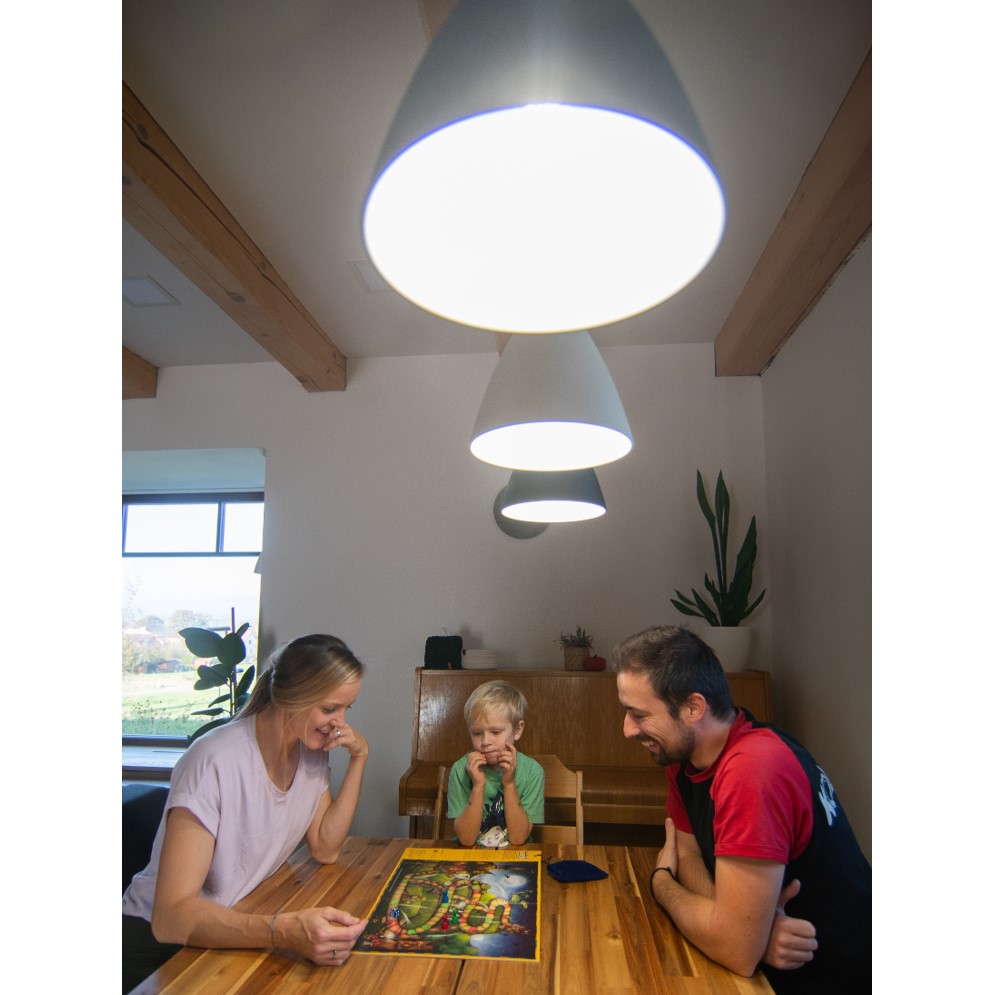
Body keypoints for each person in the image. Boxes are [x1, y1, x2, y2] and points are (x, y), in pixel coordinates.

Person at [614, 626, 870, 994]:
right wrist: (747, 929)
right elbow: (688, 853)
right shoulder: (685, 754)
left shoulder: (752, 769)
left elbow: (735, 950)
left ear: (693, 708)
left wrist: (662, 883)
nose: (627, 730)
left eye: (638, 714)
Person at [122, 634, 371, 993]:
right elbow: (171, 916)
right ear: (292, 697)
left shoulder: (312, 753)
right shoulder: (213, 759)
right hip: (155, 944)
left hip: (233, 922)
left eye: (348, 709)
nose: (340, 723)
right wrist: (282, 930)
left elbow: (325, 847)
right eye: (330, 709)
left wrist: (360, 758)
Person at [447, 680, 545, 847]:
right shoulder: (460, 769)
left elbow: (518, 838)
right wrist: (478, 786)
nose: (485, 741)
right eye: (477, 733)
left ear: (517, 730)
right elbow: (466, 840)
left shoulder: (532, 771)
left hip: (514, 857)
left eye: (495, 732)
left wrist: (509, 784)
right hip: (469, 857)